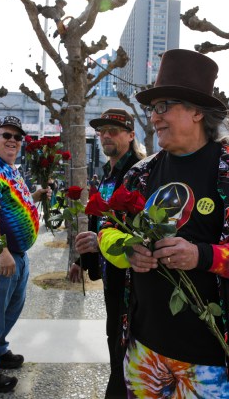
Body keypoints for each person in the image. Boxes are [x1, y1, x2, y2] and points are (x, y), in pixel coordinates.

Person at [97, 49, 229, 398]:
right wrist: (127, 251)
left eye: (164, 106)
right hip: (142, 352)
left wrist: (204, 256)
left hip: (211, 361)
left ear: (198, 111)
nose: (154, 118)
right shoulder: (142, 172)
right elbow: (107, 231)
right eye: (153, 109)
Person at [68, 108, 145, 398]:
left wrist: (103, 243)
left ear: (131, 134)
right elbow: (98, 220)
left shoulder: (140, 170)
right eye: (102, 131)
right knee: (115, 335)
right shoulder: (107, 172)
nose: (106, 136)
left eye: (114, 130)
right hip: (112, 273)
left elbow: (144, 229)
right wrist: (82, 259)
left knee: (128, 342)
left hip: (134, 276)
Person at [0, 115, 50, 392]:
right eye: (6, 135)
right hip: (1, 254)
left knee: (11, 307)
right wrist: (1, 250)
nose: (13, 141)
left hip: (18, 254)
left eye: (18, 137)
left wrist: (36, 195)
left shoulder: (11, 169)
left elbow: (14, 200)